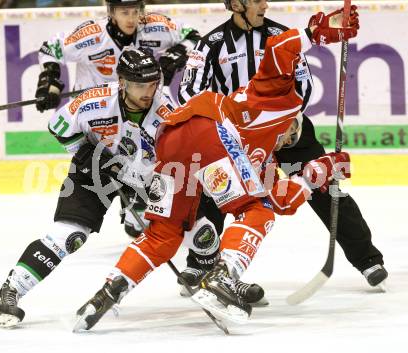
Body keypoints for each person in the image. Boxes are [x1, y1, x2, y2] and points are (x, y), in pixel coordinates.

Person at [73, 9, 356, 331]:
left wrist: (319, 170)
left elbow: (281, 200)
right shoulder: (274, 98)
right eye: (292, 132)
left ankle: (107, 291)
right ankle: (223, 276)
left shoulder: (259, 159)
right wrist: (316, 33)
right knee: (255, 211)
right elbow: (278, 48)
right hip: (208, 129)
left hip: (171, 141)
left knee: (164, 233)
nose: (288, 138)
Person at [177, 0, 387, 289]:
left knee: (325, 185)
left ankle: (367, 259)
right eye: (256, 0)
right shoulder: (210, 44)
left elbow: (304, 84)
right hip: (236, 137)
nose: (265, 4)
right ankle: (201, 265)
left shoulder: (280, 34)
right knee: (216, 191)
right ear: (237, 4)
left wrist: (286, 118)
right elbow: (190, 92)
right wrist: (225, 123)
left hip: (288, 128)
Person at [0, 49, 181, 328]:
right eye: (139, 85)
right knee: (69, 234)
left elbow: (176, 156)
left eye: (152, 83)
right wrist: (87, 153)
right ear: (122, 83)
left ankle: (205, 271)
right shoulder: (93, 102)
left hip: (143, 175)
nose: (148, 91)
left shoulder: (166, 111)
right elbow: (58, 126)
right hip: (94, 170)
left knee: (183, 219)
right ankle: (9, 292)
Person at [35, 0, 200, 237]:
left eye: (136, 11)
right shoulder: (90, 35)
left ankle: (138, 199)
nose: (132, 18)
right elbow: (51, 48)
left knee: (149, 158)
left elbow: (193, 36)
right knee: (105, 166)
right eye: (124, 12)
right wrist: (49, 80)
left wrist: (177, 54)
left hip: (139, 110)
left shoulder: (154, 25)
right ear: (111, 11)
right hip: (99, 117)